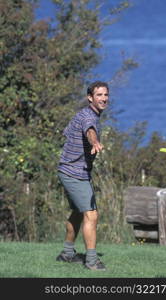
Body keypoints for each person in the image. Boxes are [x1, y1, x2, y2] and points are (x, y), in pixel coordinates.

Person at [56, 81, 109, 270]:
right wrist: (94, 142)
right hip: (74, 173)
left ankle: (67, 253)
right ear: (90, 98)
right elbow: (90, 131)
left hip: (73, 171)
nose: (103, 98)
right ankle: (92, 261)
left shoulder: (84, 115)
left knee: (79, 213)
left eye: (105, 95)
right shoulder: (88, 117)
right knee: (91, 215)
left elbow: (69, 133)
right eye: (99, 95)